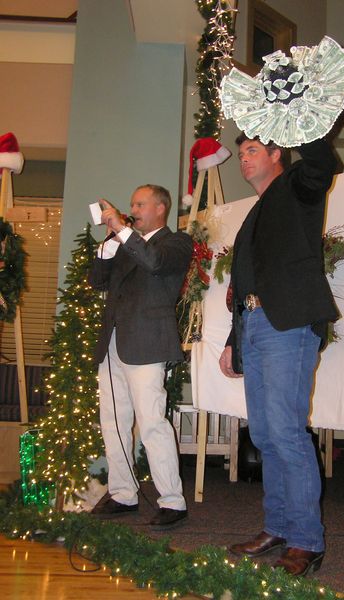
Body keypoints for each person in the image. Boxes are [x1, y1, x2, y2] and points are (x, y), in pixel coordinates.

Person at [219, 134, 339, 576]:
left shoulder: (296, 188)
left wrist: (301, 124)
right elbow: (245, 283)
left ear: (277, 154)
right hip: (253, 326)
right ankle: (279, 527)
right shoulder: (254, 213)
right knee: (266, 435)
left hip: (286, 325)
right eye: (243, 153)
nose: (244, 159)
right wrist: (235, 339)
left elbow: (321, 165)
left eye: (252, 151)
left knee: (286, 433)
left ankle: (307, 541)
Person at [88, 184, 193, 530]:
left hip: (147, 342)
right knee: (112, 422)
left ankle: (173, 501)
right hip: (113, 342)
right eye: (131, 204)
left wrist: (123, 230)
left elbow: (155, 263)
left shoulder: (176, 243)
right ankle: (122, 493)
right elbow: (97, 281)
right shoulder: (124, 243)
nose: (132, 208)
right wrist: (108, 244)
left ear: (160, 209)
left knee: (151, 422)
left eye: (139, 204)